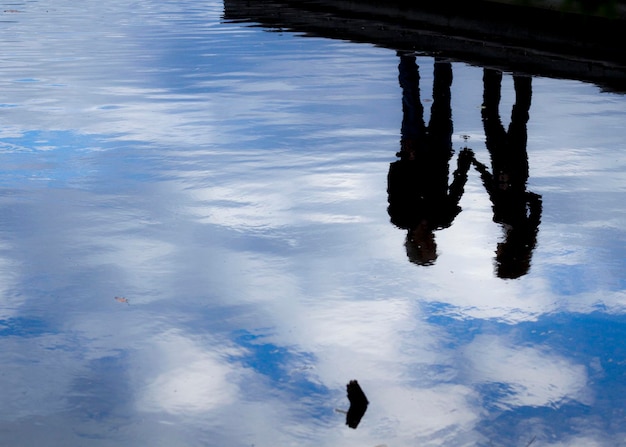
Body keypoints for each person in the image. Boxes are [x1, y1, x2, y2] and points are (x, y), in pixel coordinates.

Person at [387, 53, 473, 266]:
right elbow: (456, 190)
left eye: (429, 247)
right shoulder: (443, 219)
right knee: (442, 101)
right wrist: (464, 163)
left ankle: (407, 57)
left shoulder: (400, 216)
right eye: (433, 247)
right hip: (439, 154)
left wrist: (406, 160)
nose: (433, 243)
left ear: (416, 244)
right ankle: (442, 58)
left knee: (411, 101)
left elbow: (394, 185)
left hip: (413, 153)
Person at [472, 69, 542, 278]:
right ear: (506, 254)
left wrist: (477, 165)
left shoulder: (514, 227)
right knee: (509, 117)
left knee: (507, 117)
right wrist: (516, 189)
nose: (495, 251)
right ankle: (511, 75)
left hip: (502, 164)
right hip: (514, 166)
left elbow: (493, 190)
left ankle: (511, 75)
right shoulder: (518, 226)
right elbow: (536, 203)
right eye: (497, 255)